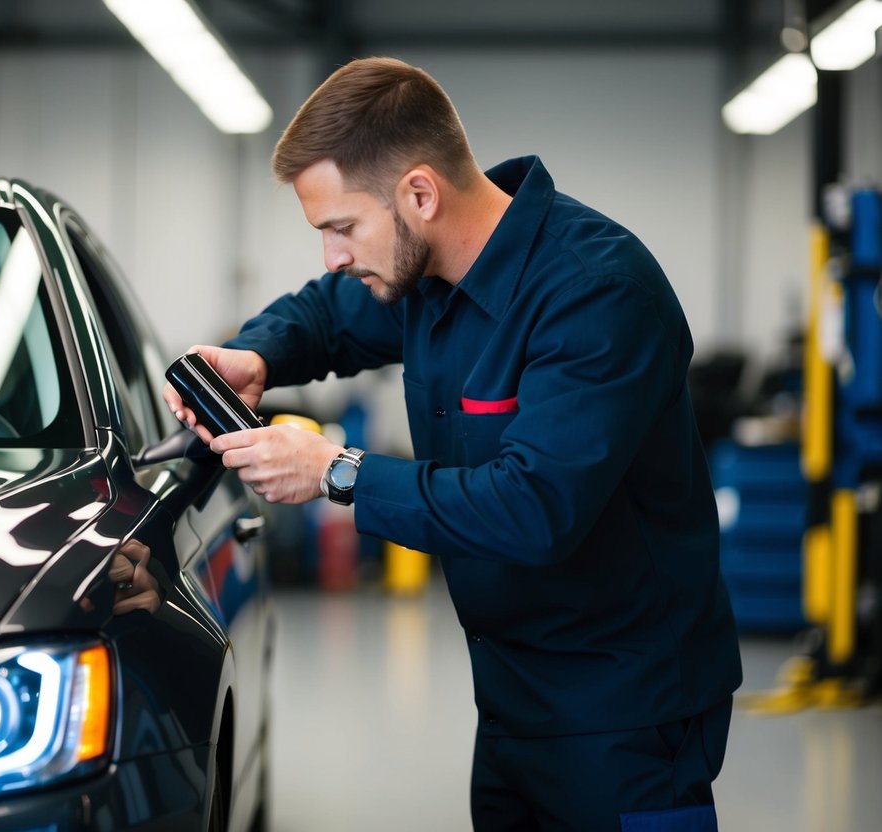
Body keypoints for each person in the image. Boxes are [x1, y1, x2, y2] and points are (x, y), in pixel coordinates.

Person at [164, 57, 742, 831]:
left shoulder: (597, 294)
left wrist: (335, 473)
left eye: (341, 228)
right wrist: (257, 355)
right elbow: (328, 314)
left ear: (420, 194)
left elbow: (532, 509)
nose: (333, 256)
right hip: (510, 700)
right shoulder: (423, 276)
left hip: (626, 715)